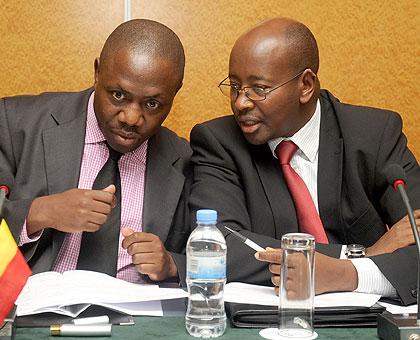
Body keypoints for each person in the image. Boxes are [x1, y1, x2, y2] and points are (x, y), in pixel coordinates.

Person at [189, 17, 420, 305]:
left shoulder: (373, 135)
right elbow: (218, 244)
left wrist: (348, 275)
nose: (240, 102)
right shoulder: (219, 141)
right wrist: (355, 256)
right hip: (271, 321)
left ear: (306, 85)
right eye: (235, 86)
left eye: (258, 89)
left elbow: (416, 236)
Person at [0, 19, 192, 284]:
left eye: (152, 103)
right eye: (118, 95)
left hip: (137, 317)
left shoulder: (183, 158)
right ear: (97, 71)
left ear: (174, 92)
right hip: (37, 311)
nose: (131, 117)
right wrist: (39, 212)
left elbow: (208, 247)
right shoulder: (16, 123)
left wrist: (171, 264)